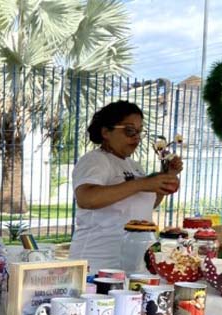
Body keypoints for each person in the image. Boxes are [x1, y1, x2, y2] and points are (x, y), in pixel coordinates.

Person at [69, 100, 183, 274]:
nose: (136, 138)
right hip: (98, 266)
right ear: (106, 132)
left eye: (139, 132)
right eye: (129, 131)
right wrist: (142, 184)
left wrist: (167, 176)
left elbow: (145, 206)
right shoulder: (95, 160)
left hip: (134, 264)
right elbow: (86, 198)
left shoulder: (134, 166)